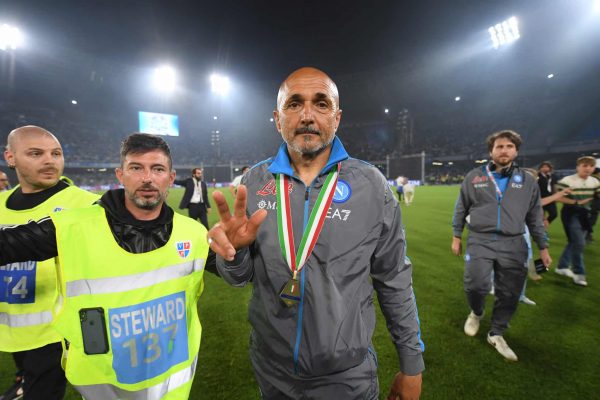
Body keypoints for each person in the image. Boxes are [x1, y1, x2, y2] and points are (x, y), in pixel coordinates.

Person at [208, 67, 424, 400]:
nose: (307, 115)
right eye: (294, 104)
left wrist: (411, 364)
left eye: (320, 104)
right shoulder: (253, 183)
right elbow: (239, 278)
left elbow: (394, 279)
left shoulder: (370, 186)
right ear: (277, 118)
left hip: (347, 376)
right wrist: (233, 255)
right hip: (272, 369)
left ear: (336, 118)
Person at [0, 133, 209, 400]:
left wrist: (237, 256)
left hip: (173, 388)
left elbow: (240, 274)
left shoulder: (194, 233)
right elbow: (9, 244)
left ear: (170, 178)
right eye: (136, 168)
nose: (147, 178)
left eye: (157, 169)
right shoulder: (72, 227)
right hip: (100, 385)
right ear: (120, 175)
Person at [0, 126, 99, 400]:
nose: (49, 160)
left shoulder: (87, 204)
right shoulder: (0, 202)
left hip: (59, 333)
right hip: (12, 329)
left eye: (56, 153)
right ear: (10, 157)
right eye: (36, 153)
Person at [451, 130, 551, 362]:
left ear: (516, 151)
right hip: (480, 240)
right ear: (491, 151)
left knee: (510, 292)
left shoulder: (527, 181)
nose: (504, 150)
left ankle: (496, 332)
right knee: (475, 285)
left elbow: (535, 217)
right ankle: (476, 312)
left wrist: (543, 247)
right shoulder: (475, 177)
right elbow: (461, 207)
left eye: (508, 146)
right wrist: (457, 235)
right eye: (499, 146)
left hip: (513, 242)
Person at [554, 156, 600, 286]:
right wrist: (576, 202)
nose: (588, 168)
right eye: (585, 165)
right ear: (578, 167)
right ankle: (579, 273)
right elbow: (558, 198)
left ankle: (562, 267)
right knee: (579, 243)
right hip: (571, 214)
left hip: (587, 215)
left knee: (574, 242)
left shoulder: (595, 182)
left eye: (591, 166)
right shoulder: (568, 180)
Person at [537, 161, 558, 227]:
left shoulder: (553, 176)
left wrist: (556, 195)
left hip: (550, 198)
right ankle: (542, 230)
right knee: (541, 216)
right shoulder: (537, 176)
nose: (544, 168)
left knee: (554, 214)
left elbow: (554, 186)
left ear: (550, 168)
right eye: (543, 167)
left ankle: (546, 223)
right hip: (540, 198)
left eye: (546, 167)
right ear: (540, 168)